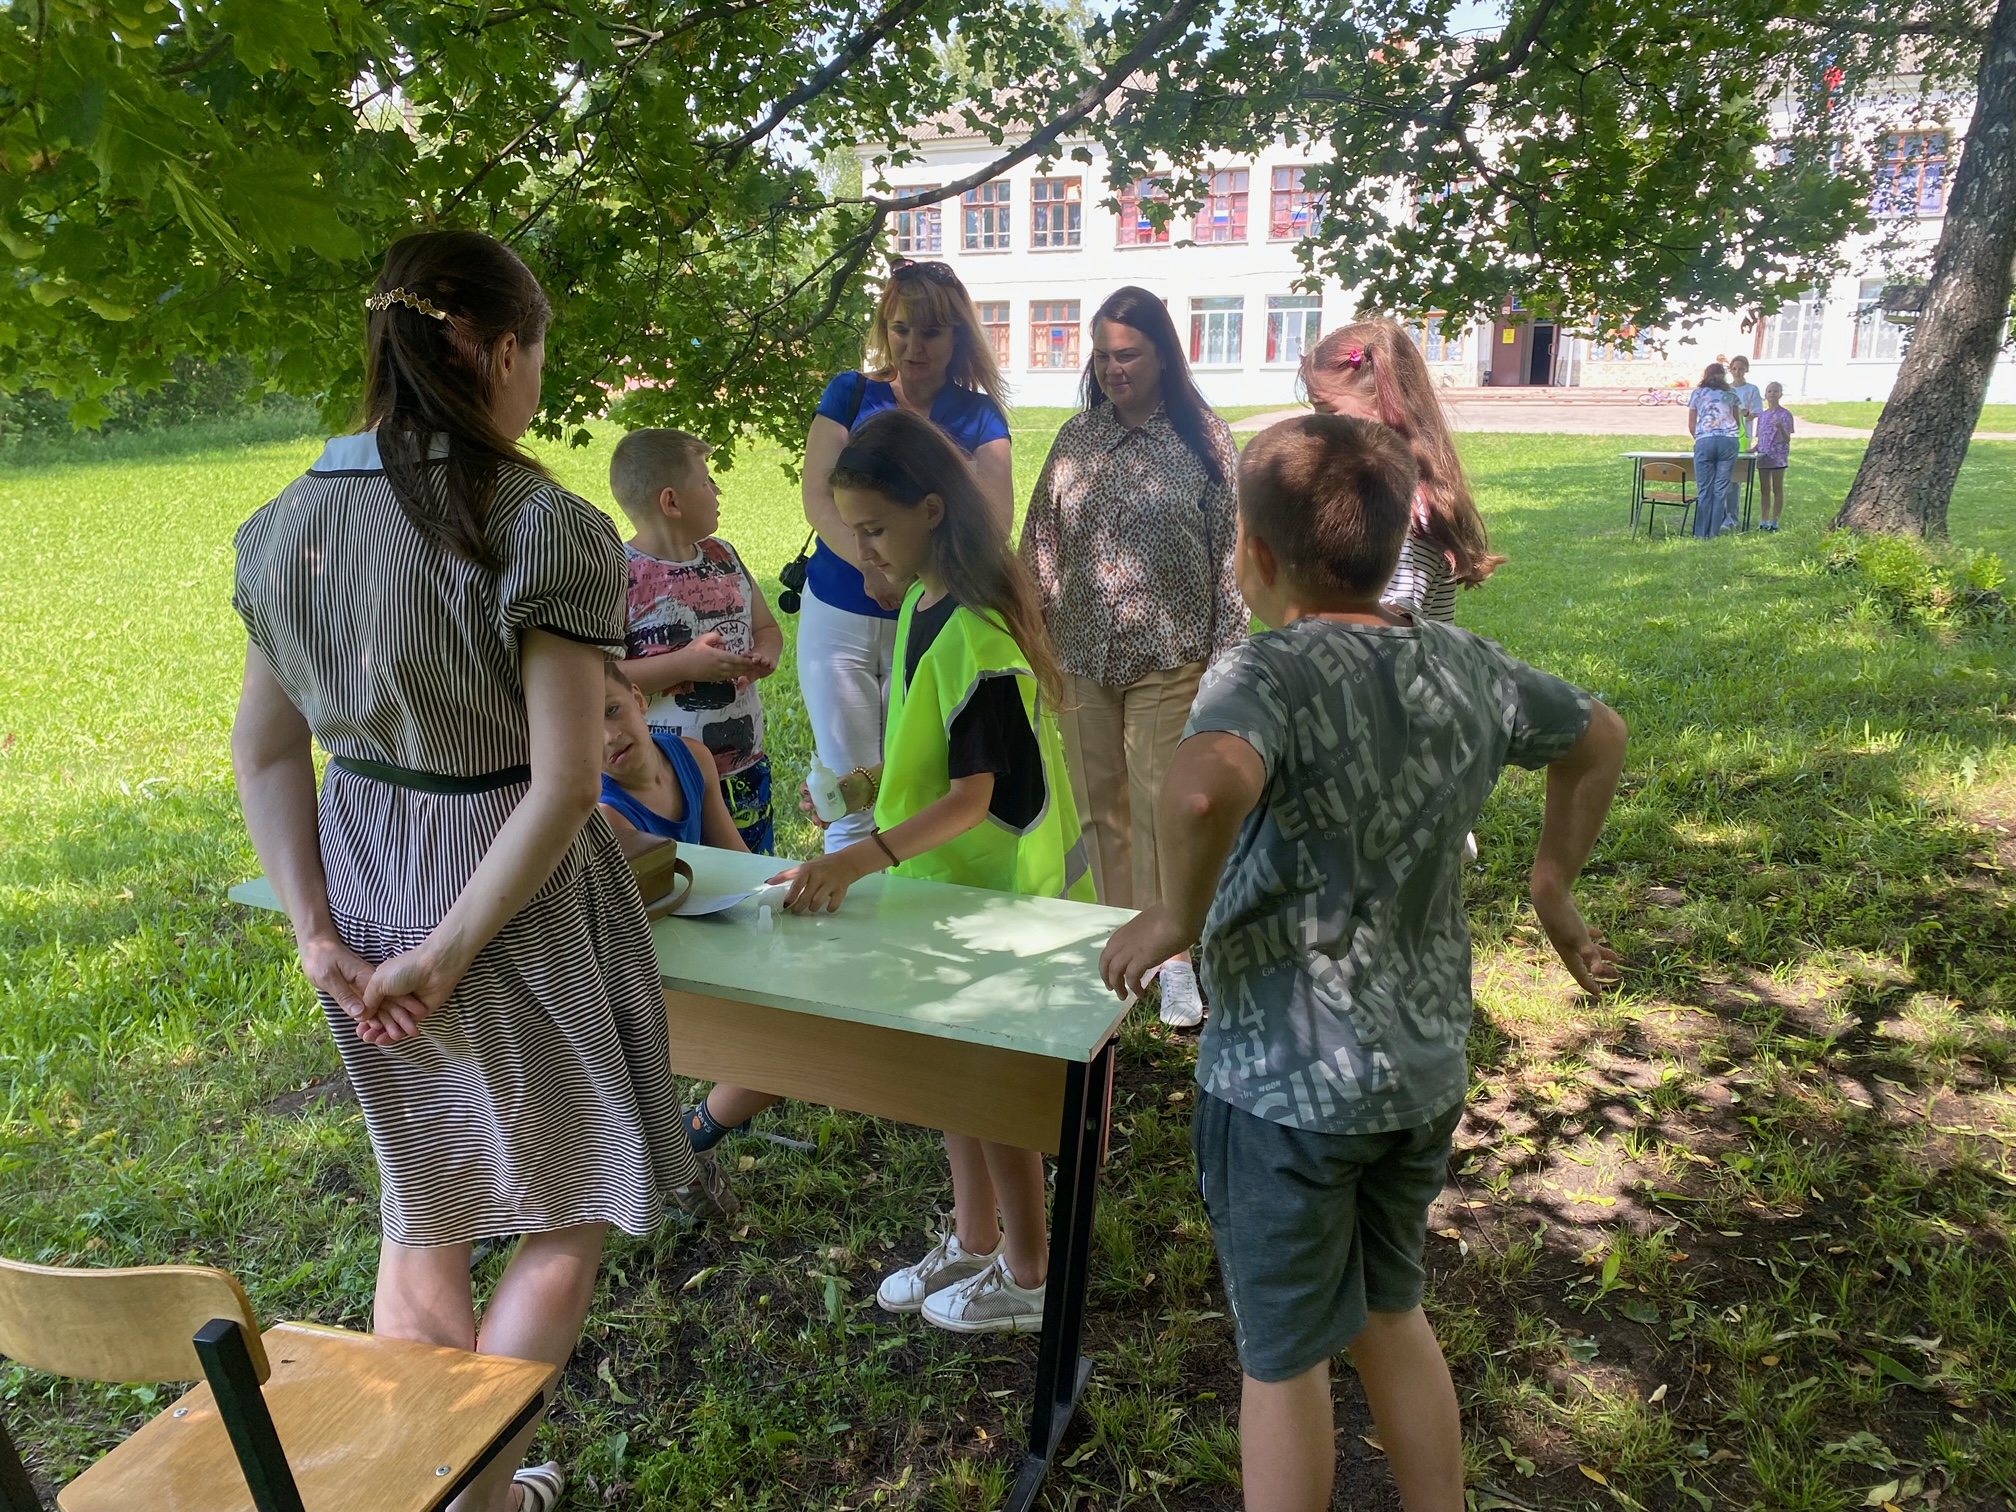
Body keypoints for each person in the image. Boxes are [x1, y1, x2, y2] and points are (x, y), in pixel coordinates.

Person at [230, 230, 732, 1512]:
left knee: (428, 1194)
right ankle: (482, 1495)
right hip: (504, 893)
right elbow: (567, 785)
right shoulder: (544, 525)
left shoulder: (284, 527)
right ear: (503, 350)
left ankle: (434, 1483)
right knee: (567, 1209)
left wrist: (315, 931)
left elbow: (270, 756)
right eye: (539, 354)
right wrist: (449, 949)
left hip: (362, 875)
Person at [1100, 414, 1627, 1512]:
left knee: (1283, 1356)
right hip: (1420, 1072)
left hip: (1281, 1088)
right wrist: (1554, 887)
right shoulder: (1465, 662)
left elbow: (1201, 787)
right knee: (1393, 1311)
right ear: (1398, 548)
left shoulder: (1267, 670)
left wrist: (1168, 919)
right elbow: (1599, 736)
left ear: (1250, 556)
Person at [772, 408, 1095, 1335]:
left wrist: (861, 858)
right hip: (941, 894)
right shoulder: (921, 605)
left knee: (993, 1092)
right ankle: (974, 1235)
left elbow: (976, 794)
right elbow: (937, 754)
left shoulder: (983, 633)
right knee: (954, 1084)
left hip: (997, 906)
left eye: (873, 530)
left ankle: (1028, 1276)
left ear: (930, 510)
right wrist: (867, 785)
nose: (859, 549)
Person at [1020, 285, 1243, 1028]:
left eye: (1129, 354)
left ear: (1162, 354)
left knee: (1158, 806)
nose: (1114, 368)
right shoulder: (1076, 440)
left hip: (1172, 653)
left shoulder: (1204, 441)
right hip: (1079, 649)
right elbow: (1041, 544)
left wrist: (1226, 661)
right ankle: (1121, 942)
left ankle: (1175, 955)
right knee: (1099, 809)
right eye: (1104, 355)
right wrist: (1036, 636)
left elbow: (1232, 558)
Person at [799, 261, 1014, 856]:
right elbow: (818, 495)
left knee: (908, 784)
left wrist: (909, 577)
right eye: (899, 329)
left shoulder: (979, 416)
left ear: (957, 338)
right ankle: (844, 910)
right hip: (839, 611)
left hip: (924, 619)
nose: (913, 347)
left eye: (931, 333)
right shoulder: (851, 392)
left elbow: (994, 522)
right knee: (845, 790)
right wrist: (870, 565)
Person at [610, 428, 782, 853]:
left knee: (754, 884)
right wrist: (684, 665)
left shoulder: (725, 555)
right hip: (665, 784)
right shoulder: (621, 575)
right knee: (685, 889)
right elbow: (600, 680)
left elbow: (767, 628)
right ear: (671, 501)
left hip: (744, 769)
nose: (717, 490)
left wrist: (764, 654)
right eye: (706, 481)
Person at [1299, 319, 1506, 622]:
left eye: (1329, 412)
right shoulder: (1380, 494)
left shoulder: (1401, 511)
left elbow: (1386, 628)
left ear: (1384, 407)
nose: (1315, 429)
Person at [599, 659, 750, 850]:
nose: (609, 737)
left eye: (612, 710)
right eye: (585, 732)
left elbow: (737, 858)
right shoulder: (608, 814)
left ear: (638, 700)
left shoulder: (694, 758)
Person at [1688, 362, 1743, 537]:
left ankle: (1700, 533)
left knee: (1705, 489)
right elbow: (1737, 421)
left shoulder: (1697, 393)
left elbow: (1691, 424)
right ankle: (1714, 532)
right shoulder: (1731, 393)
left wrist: (1700, 437)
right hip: (1728, 441)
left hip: (1705, 440)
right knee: (1721, 490)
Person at [1755, 382, 1795, 532]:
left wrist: (1780, 427)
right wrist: (1753, 450)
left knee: (1777, 489)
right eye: (1769, 391)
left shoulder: (1785, 415)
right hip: (1763, 456)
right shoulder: (1762, 416)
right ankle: (1764, 520)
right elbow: (1760, 438)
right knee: (1765, 489)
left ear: (1780, 394)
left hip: (1778, 456)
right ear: (1765, 394)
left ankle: (1775, 521)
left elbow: (1787, 438)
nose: (1772, 394)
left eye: (1775, 391)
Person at [1727, 354, 1764, 453]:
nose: (1737, 372)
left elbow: (1754, 414)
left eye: (1741, 369)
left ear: (1746, 370)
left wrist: (1746, 413)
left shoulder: (1752, 389)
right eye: (1734, 369)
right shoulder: (1725, 389)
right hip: (1726, 430)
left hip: (1744, 432)